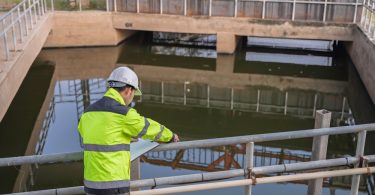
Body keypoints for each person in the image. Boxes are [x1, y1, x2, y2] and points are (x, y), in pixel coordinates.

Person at [78, 66, 180, 195]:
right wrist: (171, 136)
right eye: (133, 94)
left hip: (91, 185)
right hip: (113, 185)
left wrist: (120, 135)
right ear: (128, 90)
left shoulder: (87, 113)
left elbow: (89, 133)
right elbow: (149, 128)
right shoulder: (123, 113)